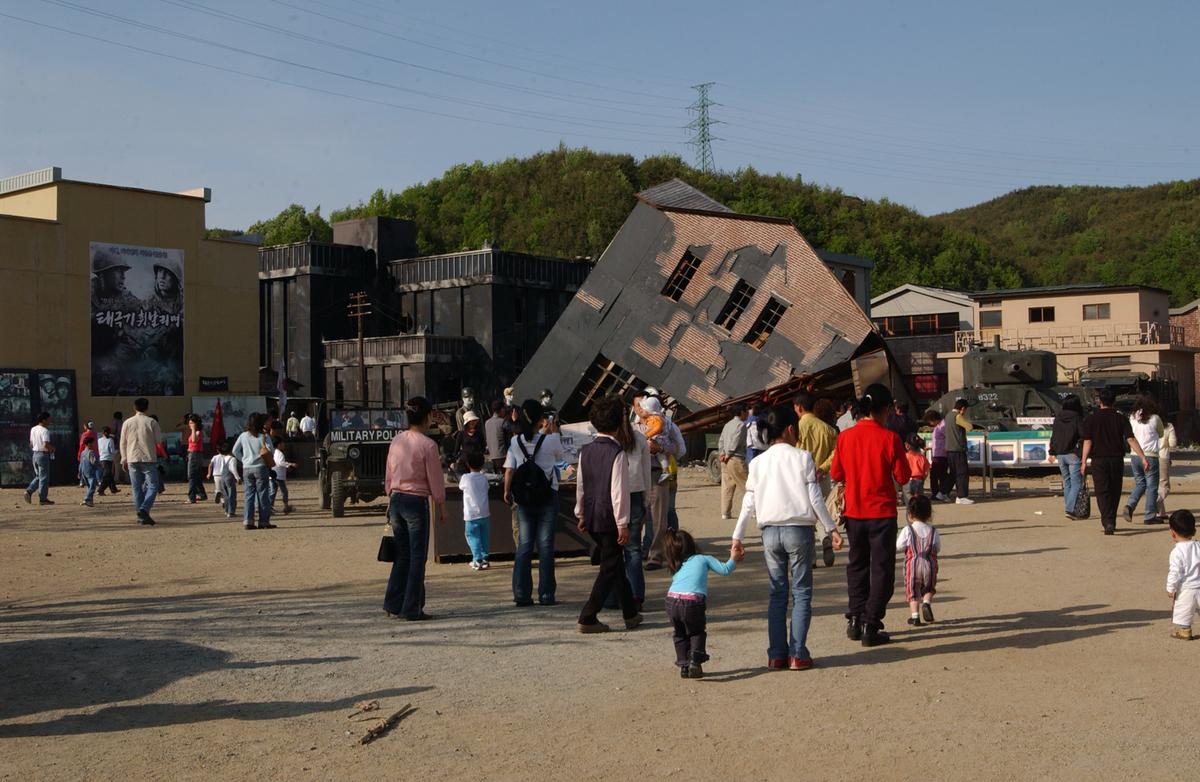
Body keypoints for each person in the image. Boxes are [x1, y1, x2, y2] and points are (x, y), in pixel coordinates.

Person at [732, 404, 842, 670]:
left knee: (777, 594)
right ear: (791, 430)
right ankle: (798, 654)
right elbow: (815, 498)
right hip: (799, 531)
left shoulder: (757, 462)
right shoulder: (803, 458)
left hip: (769, 532)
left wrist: (738, 537)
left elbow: (748, 503)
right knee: (801, 593)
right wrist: (831, 528)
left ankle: (777, 654)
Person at [830, 383, 911, 647]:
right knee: (882, 570)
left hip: (854, 512)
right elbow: (903, 476)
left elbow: (836, 473)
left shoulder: (845, 437)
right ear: (885, 409)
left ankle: (855, 618)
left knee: (857, 566)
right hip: (882, 513)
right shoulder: (890, 438)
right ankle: (871, 622)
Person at [575, 396, 644, 634]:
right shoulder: (617, 453)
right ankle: (588, 615)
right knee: (609, 566)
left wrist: (581, 513)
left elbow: (581, 485)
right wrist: (623, 523)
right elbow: (619, 492)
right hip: (610, 517)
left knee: (614, 563)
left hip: (592, 514)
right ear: (618, 423)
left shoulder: (585, 451)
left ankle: (630, 613)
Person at [383, 396, 447, 621]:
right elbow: (435, 479)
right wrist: (441, 505)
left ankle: (393, 603)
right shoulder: (428, 445)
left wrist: (390, 497)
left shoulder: (396, 441)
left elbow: (389, 474)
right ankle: (412, 608)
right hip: (416, 501)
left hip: (396, 499)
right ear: (428, 416)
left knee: (402, 555)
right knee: (418, 557)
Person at [504, 400, 565, 607]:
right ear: (541, 419)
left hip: (525, 498)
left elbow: (511, 467)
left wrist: (507, 491)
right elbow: (561, 457)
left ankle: (521, 593)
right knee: (546, 546)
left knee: (524, 545)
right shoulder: (551, 440)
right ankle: (546, 594)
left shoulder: (515, 442)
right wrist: (553, 430)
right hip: (547, 495)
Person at [664, 528, 740, 679]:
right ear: (692, 544)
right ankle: (695, 662)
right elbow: (725, 569)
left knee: (679, 634)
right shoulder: (703, 558)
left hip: (671, 601)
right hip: (692, 602)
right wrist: (734, 557)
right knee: (696, 632)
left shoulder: (677, 565)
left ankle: (684, 666)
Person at [1081, 388, 1148, 535]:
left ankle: (1107, 521)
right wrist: (1142, 457)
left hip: (1098, 460)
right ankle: (1111, 520)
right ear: (1114, 401)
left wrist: (1084, 461)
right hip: (1116, 459)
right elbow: (1130, 439)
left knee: (1102, 491)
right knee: (1115, 490)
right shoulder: (1120, 418)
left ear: (1100, 401)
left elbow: (1087, 441)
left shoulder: (1091, 419)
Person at [795, 391, 838, 567]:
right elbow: (836, 452)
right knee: (820, 511)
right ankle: (825, 537)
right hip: (823, 477)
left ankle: (811, 558)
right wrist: (823, 468)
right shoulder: (828, 429)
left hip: (801, 479)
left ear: (798, 407)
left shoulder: (795, 429)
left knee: (806, 518)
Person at [897, 494, 941, 626]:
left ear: (910, 514)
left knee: (913, 591)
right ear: (929, 514)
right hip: (929, 564)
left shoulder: (908, 530)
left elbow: (899, 546)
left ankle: (915, 616)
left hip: (913, 565)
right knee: (929, 588)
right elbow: (937, 548)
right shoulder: (933, 531)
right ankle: (926, 603)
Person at [119, 398, 163, 525]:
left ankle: (141, 516)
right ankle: (144, 509)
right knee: (153, 485)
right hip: (148, 458)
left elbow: (122, 442)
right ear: (147, 408)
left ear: (134, 407)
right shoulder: (152, 422)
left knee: (136, 488)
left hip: (132, 457)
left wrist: (124, 458)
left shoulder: (127, 422)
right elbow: (158, 441)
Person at [1124, 396, 1165, 525]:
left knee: (1140, 483)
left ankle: (1130, 505)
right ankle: (1149, 515)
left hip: (1134, 454)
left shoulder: (1132, 417)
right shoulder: (1155, 418)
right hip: (1150, 455)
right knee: (1152, 486)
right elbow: (1161, 433)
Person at [232, 413, 275, 530]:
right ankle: (264, 521)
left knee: (249, 495)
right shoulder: (264, 436)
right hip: (261, 467)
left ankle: (248, 521)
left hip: (247, 468)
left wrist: (243, 460)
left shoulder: (243, 436)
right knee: (263, 494)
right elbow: (271, 451)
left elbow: (235, 451)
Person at [1165, 510, 1200, 640]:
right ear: (1194, 530)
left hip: (1186, 588)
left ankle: (1185, 630)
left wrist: (1171, 588)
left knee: (1184, 610)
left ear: (1172, 532)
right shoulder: (1198, 546)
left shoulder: (1177, 551)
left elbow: (1174, 572)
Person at [1049, 395, 1085, 519]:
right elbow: (1083, 435)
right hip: (1073, 454)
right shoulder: (1077, 417)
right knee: (1076, 483)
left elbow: (1053, 436)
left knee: (1067, 482)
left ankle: (1069, 508)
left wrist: (1052, 452)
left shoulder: (1058, 417)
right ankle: (1070, 509)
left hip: (1060, 454)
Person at [459, 451, 491, 570]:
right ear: (482, 464)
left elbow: (461, 487)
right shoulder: (484, 478)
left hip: (471, 514)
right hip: (484, 512)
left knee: (473, 536)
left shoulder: (465, 477)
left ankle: (477, 559)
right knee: (484, 536)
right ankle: (485, 558)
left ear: (468, 464)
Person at [717, 404, 749, 520]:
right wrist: (728, 454)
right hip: (735, 459)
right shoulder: (741, 425)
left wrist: (722, 453)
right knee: (748, 485)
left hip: (725, 460)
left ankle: (725, 512)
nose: (748, 413)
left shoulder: (727, 424)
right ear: (742, 412)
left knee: (727, 487)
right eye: (746, 411)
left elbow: (721, 440)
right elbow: (736, 441)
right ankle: (755, 510)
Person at [944, 398, 975, 505]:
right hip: (958, 449)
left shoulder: (947, 416)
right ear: (962, 409)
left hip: (949, 449)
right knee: (962, 473)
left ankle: (943, 492)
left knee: (953, 473)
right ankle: (962, 496)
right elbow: (969, 427)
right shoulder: (957, 416)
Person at [24, 412, 55, 506]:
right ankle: (43, 499)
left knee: (39, 476)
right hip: (43, 455)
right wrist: (52, 448)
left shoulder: (33, 429)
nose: (50, 421)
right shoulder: (45, 430)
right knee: (44, 478)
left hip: (35, 454)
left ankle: (29, 491)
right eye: (49, 419)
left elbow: (31, 444)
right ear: (44, 420)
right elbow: (46, 444)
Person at [639, 396, 672, 481]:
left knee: (660, 454)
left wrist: (647, 435)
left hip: (660, 440)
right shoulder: (654, 418)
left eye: (644, 409)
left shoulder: (657, 419)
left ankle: (665, 470)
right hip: (659, 439)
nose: (642, 410)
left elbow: (657, 428)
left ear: (649, 410)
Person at [207, 441, 240, 519]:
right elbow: (233, 469)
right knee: (232, 495)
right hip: (229, 478)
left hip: (222, 477)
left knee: (225, 495)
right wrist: (238, 478)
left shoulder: (223, 458)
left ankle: (226, 510)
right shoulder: (232, 459)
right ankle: (231, 512)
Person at [451, 411, 486, 476]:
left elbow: (483, 446)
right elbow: (456, 448)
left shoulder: (479, 433)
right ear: (467, 423)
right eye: (471, 421)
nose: (473, 422)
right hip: (464, 461)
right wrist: (453, 461)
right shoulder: (461, 434)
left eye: (474, 421)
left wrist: (480, 456)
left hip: (476, 462)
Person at [925, 410, 949, 502]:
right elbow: (938, 441)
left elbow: (946, 438)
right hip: (938, 453)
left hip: (941, 454)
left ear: (933, 419)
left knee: (936, 475)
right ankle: (940, 493)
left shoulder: (942, 426)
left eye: (930, 421)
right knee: (939, 475)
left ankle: (937, 493)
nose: (930, 423)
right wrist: (930, 447)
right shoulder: (938, 426)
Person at [185, 414, 208, 504]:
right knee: (197, 476)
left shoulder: (197, 432)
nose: (189, 425)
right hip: (193, 454)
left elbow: (194, 440)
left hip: (195, 454)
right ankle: (202, 494)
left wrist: (193, 429)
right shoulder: (195, 432)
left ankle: (192, 497)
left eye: (191, 423)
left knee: (191, 475)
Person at [1157, 420, 1177, 518]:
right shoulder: (1168, 426)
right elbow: (1173, 443)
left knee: (1153, 485)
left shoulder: (1146, 422)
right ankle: (1155, 502)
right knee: (1164, 486)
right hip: (1162, 456)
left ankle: (1161, 512)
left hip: (1146, 456)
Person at [903, 434, 930, 505]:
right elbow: (926, 471)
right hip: (919, 481)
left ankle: (910, 511)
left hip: (908, 481)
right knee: (919, 502)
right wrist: (923, 478)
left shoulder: (905, 457)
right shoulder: (922, 457)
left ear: (907, 446)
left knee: (909, 503)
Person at [271, 439, 295, 515]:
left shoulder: (274, 452)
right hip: (279, 476)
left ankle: (270, 506)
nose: (284, 445)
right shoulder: (280, 453)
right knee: (284, 491)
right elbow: (280, 463)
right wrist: (290, 464)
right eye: (282, 443)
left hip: (274, 474)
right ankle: (286, 506)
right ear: (279, 445)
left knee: (273, 491)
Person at [484, 401, 507, 472]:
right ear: (502, 409)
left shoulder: (487, 422)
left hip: (492, 456)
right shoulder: (503, 422)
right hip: (503, 455)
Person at [97, 426, 120, 496]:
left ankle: (113, 489)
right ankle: (100, 490)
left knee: (109, 475)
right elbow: (112, 451)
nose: (109, 434)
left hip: (102, 459)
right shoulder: (110, 440)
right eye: (108, 432)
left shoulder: (99, 440)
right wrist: (117, 451)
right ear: (106, 433)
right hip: (108, 459)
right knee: (107, 475)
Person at [79, 434, 99, 507]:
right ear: (88, 444)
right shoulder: (91, 452)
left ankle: (90, 502)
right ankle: (86, 499)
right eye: (92, 443)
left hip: (84, 472)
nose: (93, 444)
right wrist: (99, 465)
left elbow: (81, 464)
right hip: (90, 471)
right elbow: (93, 462)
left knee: (88, 486)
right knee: (92, 487)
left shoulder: (82, 453)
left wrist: (80, 472)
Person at [77, 420, 99, 487]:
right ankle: (98, 481)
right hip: (95, 452)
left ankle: (82, 481)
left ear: (86, 426)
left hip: (86, 453)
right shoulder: (95, 434)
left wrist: (80, 454)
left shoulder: (84, 434)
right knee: (95, 466)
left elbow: (81, 445)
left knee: (83, 467)